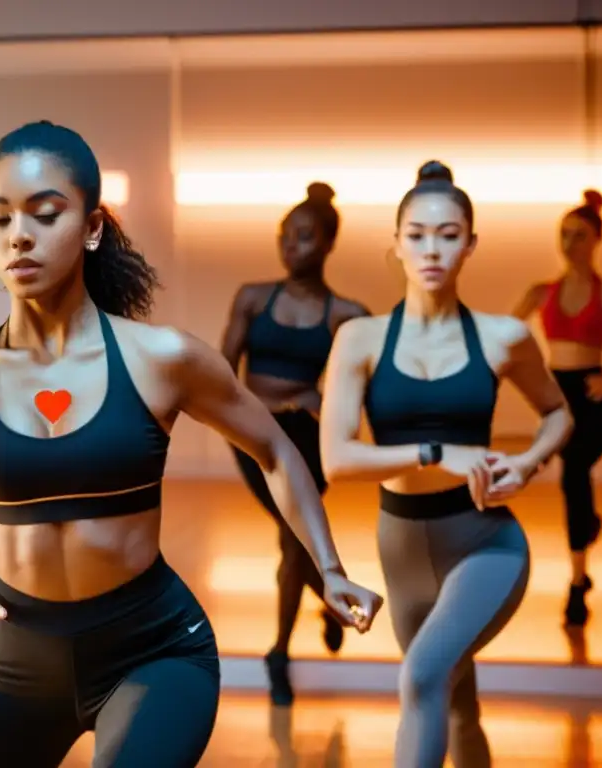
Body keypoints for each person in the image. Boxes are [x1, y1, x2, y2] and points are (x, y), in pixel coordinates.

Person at [0, 120, 384, 768]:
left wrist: (330, 570)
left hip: (154, 653)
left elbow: (276, 451)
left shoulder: (161, 359)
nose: (19, 234)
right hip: (20, 660)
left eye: (46, 213)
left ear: (91, 228)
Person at [320, 161, 572, 768]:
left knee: (422, 677)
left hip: (484, 543)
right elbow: (337, 459)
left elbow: (559, 413)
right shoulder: (360, 338)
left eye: (449, 233)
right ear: (397, 243)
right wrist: (438, 454)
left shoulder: (503, 337)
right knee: (455, 702)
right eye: (417, 234)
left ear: (471, 244)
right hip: (400, 546)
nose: (432, 248)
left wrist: (528, 464)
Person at [221, 182, 369, 703]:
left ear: (328, 243)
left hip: (307, 436)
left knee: (293, 538)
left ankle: (279, 653)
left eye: (305, 237)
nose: (291, 247)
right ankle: (330, 600)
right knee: (296, 534)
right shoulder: (253, 297)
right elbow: (222, 375)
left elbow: (360, 391)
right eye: (286, 236)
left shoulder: (347, 314)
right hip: (254, 435)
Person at [512, 190, 602, 627]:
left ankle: (576, 583)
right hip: (558, 400)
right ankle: (585, 531)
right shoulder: (540, 292)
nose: (571, 243)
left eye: (579, 235)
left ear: (596, 240)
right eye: (564, 235)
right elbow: (506, 341)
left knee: (573, 474)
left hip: (594, 401)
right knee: (573, 480)